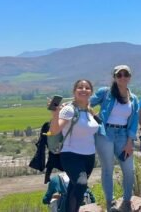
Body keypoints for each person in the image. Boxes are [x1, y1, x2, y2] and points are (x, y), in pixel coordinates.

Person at [91, 65, 140, 212]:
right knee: (107, 169)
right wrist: (93, 116)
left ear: (130, 77)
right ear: (114, 77)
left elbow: (134, 121)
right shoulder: (105, 93)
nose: (123, 77)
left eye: (126, 74)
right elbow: (86, 102)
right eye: (119, 75)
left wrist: (130, 142)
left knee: (129, 170)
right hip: (105, 133)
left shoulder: (133, 98)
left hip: (124, 136)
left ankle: (126, 201)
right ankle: (110, 202)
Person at [47, 80, 100, 212]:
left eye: (87, 88)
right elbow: (54, 131)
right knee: (81, 184)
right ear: (74, 91)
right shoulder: (69, 109)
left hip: (89, 157)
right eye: (80, 87)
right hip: (71, 155)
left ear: (91, 92)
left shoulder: (89, 110)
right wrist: (55, 114)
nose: (83, 90)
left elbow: (98, 125)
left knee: (74, 188)